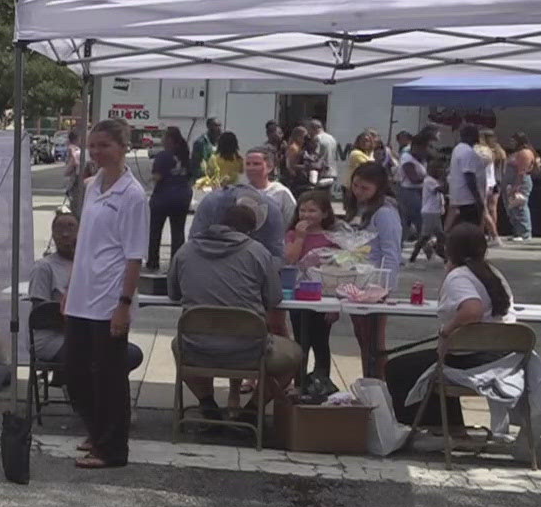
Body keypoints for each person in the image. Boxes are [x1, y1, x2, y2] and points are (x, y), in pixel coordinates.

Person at [170, 193, 301, 425]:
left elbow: (173, 294)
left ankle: (207, 404)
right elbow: (274, 297)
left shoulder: (185, 251)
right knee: (294, 356)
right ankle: (252, 411)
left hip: (197, 346)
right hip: (249, 350)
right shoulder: (257, 253)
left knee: (177, 345)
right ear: (249, 231)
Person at [64, 119, 147, 468]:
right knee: (74, 372)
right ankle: (97, 430)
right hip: (82, 295)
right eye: (92, 146)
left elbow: (133, 255)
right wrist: (69, 291)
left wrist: (124, 305)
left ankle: (113, 449)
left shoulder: (132, 195)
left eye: (104, 146)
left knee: (109, 375)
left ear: (122, 147)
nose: (97, 152)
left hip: (110, 298)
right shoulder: (93, 185)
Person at [383, 223, 515, 435]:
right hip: (504, 355)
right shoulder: (493, 273)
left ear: (449, 249)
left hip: (474, 357)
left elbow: (473, 310)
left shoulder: (460, 276)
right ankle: (451, 427)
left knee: (397, 368)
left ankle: (426, 428)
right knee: (429, 363)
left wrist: (447, 331)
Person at [346, 162, 404, 379]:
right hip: (356, 282)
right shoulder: (360, 209)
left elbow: (392, 253)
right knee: (362, 338)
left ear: (378, 188)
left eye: (365, 188)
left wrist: (383, 288)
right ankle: (368, 384)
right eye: (356, 186)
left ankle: (379, 386)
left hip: (375, 286)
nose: (359, 192)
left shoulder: (385, 212)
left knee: (374, 343)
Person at [285, 189, 342, 400]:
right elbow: (290, 259)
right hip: (299, 295)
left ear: (325, 214)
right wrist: (300, 237)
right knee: (301, 342)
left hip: (323, 298)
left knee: (320, 342)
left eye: (313, 210)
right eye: (303, 210)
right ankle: (299, 384)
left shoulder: (332, 238)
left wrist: (335, 306)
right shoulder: (292, 234)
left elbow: (338, 271)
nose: (307, 215)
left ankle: (321, 384)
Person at [27, 210, 78, 364]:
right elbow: (40, 315)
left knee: (127, 354)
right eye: (59, 229)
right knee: (93, 355)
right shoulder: (44, 267)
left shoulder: (88, 265)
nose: (65, 234)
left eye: (71, 228)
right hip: (51, 338)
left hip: (83, 336)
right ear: (53, 235)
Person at [146, 126, 193, 273]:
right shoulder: (185, 156)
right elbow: (190, 176)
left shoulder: (163, 156)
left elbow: (158, 177)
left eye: (164, 138)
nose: (162, 140)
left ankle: (153, 262)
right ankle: (176, 264)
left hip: (163, 198)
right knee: (178, 232)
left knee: (155, 231)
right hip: (182, 197)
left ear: (170, 140)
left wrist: (150, 179)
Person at [444, 123, 487, 231]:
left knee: (460, 227)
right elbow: (469, 176)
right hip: (468, 199)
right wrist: (478, 198)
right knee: (470, 228)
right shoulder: (467, 152)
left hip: (461, 197)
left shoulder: (458, 149)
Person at [243, 145, 297, 228]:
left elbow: (290, 220)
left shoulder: (281, 192)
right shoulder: (240, 192)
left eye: (256, 164)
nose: (251, 168)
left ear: (270, 167)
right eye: (248, 164)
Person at [502, 133, 539, 243]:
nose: (511, 143)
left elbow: (522, 172)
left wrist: (516, 186)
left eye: (513, 141)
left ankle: (525, 233)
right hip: (511, 183)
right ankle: (517, 232)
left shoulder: (525, 153)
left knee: (520, 207)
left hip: (520, 183)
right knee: (513, 208)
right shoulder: (517, 152)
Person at [410, 158, 449, 264]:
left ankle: (442, 253)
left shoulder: (434, 181)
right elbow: (442, 189)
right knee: (425, 236)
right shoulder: (429, 181)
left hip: (435, 212)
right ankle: (413, 256)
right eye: (439, 169)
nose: (441, 171)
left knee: (440, 235)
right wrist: (445, 178)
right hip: (430, 212)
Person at [397, 129, 428, 241]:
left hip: (419, 192)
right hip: (409, 193)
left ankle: (425, 247)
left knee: (412, 222)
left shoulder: (421, 159)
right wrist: (429, 179)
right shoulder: (406, 158)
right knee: (415, 221)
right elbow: (413, 178)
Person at [478, 128, 507, 242]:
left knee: (483, 208)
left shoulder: (485, 151)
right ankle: (492, 234)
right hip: (497, 181)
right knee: (493, 208)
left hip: (488, 181)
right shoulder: (500, 150)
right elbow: (503, 169)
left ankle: (483, 233)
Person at [343, 130, 377, 218]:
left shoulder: (369, 154)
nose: (365, 143)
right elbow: (369, 166)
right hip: (352, 188)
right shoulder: (355, 153)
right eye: (362, 140)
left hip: (363, 188)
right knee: (352, 213)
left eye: (367, 140)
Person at [281, 124, 318, 191]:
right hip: (294, 180)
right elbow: (290, 165)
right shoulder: (294, 148)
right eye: (304, 137)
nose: (305, 139)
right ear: (298, 137)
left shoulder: (300, 147)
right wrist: (305, 167)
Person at [308, 118, 340, 182]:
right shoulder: (332, 138)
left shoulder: (317, 138)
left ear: (314, 128)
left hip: (323, 174)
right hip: (333, 173)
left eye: (310, 129)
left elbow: (315, 157)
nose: (309, 132)